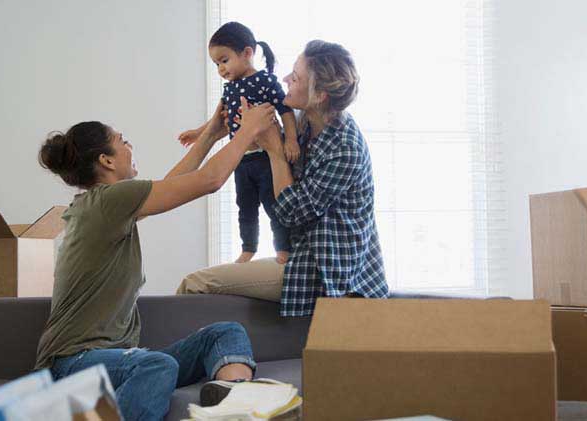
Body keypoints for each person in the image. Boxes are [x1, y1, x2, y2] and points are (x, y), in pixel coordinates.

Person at [34, 96, 277, 420]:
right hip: (71, 365)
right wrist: (247, 131)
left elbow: (172, 185)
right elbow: (208, 181)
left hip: (112, 361)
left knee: (225, 333)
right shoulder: (108, 201)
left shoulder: (107, 206)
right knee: (158, 365)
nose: (129, 145)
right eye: (122, 140)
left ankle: (235, 404)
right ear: (107, 160)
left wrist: (212, 134)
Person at [178, 40, 389, 317]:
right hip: (301, 251)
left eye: (296, 77)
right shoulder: (303, 123)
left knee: (193, 284)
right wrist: (225, 132)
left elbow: (289, 212)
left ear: (321, 95)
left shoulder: (344, 147)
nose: (286, 79)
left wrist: (275, 151)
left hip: (324, 270)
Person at [179, 21, 299, 265]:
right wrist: (198, 133)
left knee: (274, 205)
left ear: (247, 53)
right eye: (216, 64)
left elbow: (285, 110)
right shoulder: (230, 88)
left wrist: (292, 140)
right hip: (241, 159)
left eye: (224, 60)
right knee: (245, 207)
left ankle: (283, 249)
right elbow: (219, 122)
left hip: (265, 156)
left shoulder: (265, 80)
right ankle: (248, 248)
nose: (221, 69)